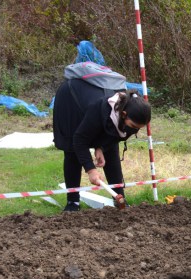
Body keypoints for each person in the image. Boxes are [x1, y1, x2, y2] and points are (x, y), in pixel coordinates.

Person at [53, 81, 150, 212]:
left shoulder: (132, 114)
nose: (134, 130)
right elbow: (79, 140)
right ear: (123, 114)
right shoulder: (99, 109)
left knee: (112, 151)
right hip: (71, 100)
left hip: (94, 105)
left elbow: (114, 138)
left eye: (138, 128)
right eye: (133, 126)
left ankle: (119, 199)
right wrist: (91, 170)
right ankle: (73, 202)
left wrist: (101, 147)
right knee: (72, 151)